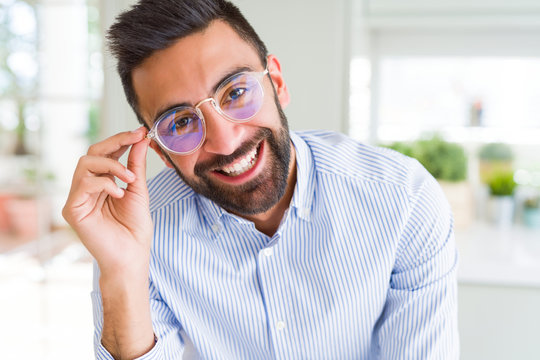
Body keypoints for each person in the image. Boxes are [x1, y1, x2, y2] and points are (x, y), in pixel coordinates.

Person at [62, 0, 459, 359]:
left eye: (235, 92)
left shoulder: (403, 200)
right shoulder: (138, 229)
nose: (225, 139)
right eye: (182, 122)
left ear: (278, 84)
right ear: (161, 151)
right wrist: (122, 271)